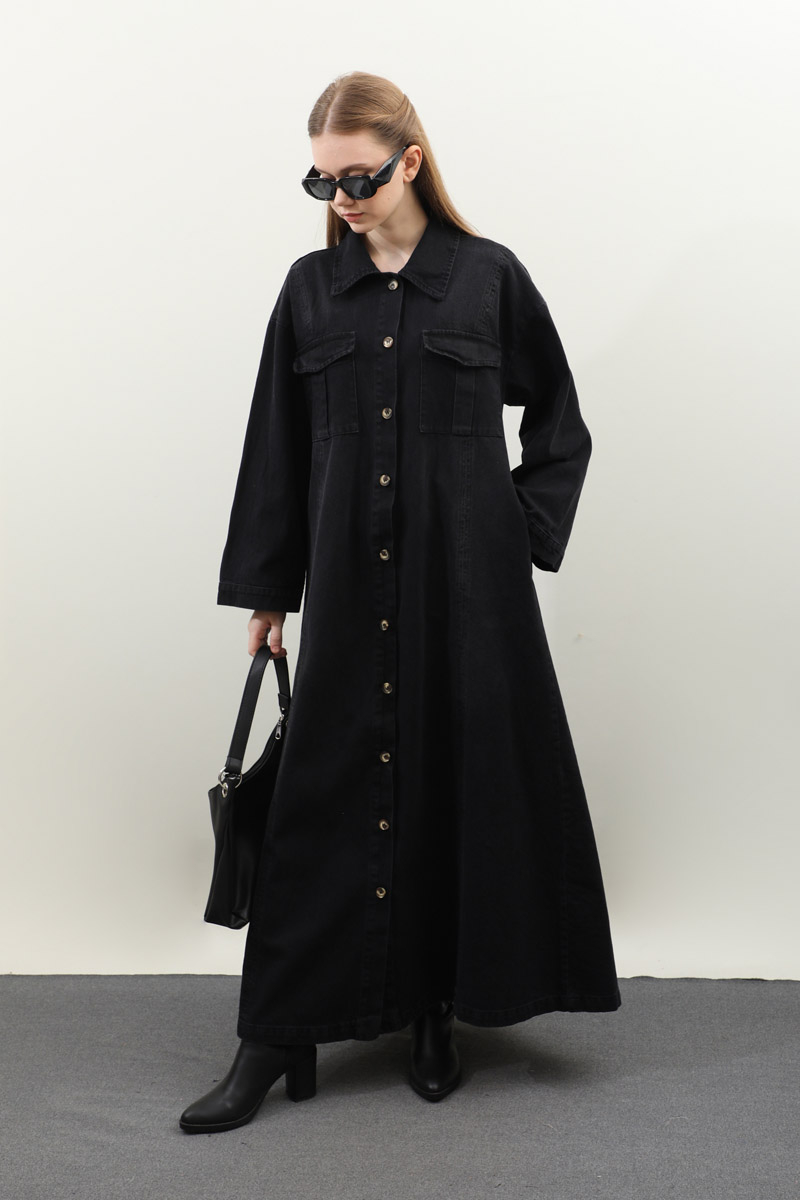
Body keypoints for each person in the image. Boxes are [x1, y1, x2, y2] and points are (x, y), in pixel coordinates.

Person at [179, 70, 621, 1135]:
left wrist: (515, 531)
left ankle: (434, 1010)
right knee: (319, 796)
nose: (339, 198)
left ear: (409, 162)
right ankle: (276, 1033)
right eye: (319, 181)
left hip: (471, 595)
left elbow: (559, 424)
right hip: (345, 586)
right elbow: (276, 445)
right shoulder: (308, 291)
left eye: (357, 177)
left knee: (454, 785)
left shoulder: (487, 278)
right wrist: (267, 591)